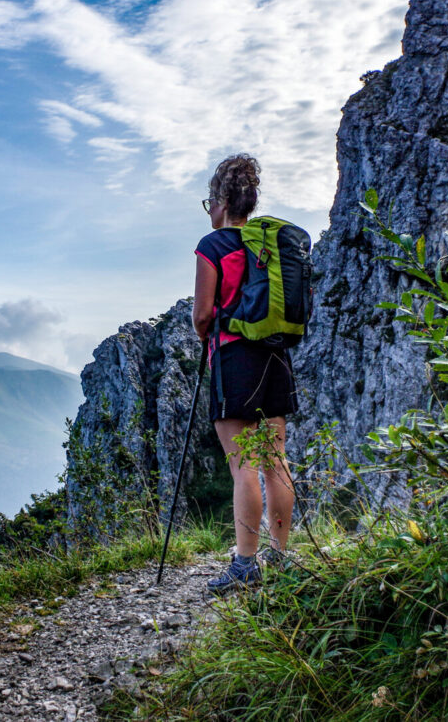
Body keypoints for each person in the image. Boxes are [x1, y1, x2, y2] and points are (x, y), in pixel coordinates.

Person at [193, 154, 297, 594]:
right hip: (276, 357)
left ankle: (245, 565)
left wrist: (208, 334)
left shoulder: (212, 245)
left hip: (235, 360)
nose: (209, 211)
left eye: (208, 202)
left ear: (220, 202)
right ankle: (281, 555)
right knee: (277, 462)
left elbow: (202, 314)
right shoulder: (269, 244)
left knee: (243, 467)